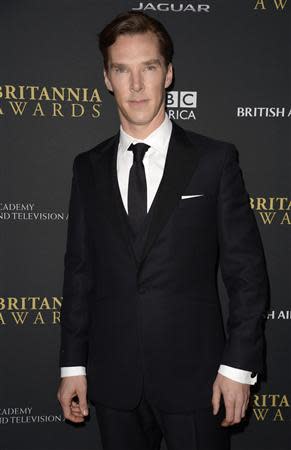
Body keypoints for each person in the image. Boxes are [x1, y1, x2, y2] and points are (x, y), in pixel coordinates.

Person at [57, 11, 269, 450]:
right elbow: (79, 272)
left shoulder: (214, 161)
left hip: (199, 381)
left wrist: (237, 368)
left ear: (168, 74)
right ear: (107, 78)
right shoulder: (88, 167)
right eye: (122, 69)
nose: (135, 85)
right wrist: (72, 367)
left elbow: (246, 273)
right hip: (114, 381)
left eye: (148, 67)